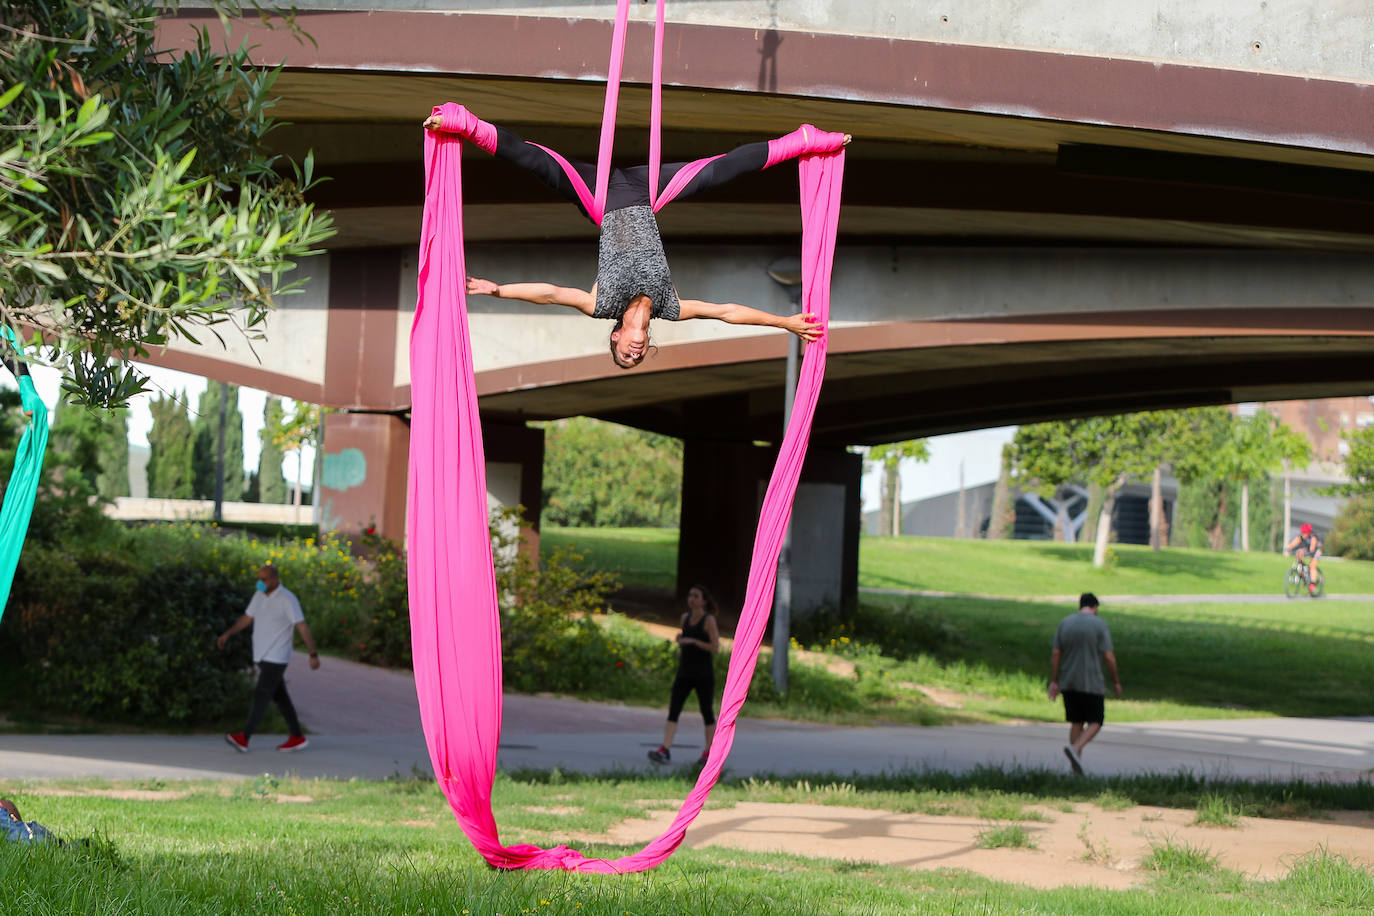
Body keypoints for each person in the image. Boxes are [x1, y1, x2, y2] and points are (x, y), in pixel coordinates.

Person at [423, 105, 848, 369]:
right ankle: (802, 141)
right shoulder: (670, 307)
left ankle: (464, 123)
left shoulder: (600, 304)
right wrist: (785, 323)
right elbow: (726, 312)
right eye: (637, 357)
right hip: (648, 193)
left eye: (626, 354)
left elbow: (552, 294)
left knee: (533, 160)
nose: (635, 352)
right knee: (725, 169)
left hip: (598, 196)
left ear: (615, 336)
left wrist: (498, 290)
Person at [217, 564, 320, 752]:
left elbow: (302, 626)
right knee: (280, 697)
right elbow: (247, 618)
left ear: (275, 579)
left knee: (262, 694)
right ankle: (297, 737)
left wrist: (313, 654)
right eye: (259, 578)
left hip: (277, 655)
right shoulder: (259, 596)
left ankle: (244, 737)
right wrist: (228, 633)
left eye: (263, 579)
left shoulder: (287, 599)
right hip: (262, 654)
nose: (260, 583)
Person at [1047, 592, 1121, 775]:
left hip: (1069, 680)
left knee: (1076, 721)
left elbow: (1056, 654)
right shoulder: (1099, 625)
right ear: (1095, 607)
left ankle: (1075, 766)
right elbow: (1109, 656)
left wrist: (1054, 680)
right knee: (1096, 720)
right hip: (1092, 682)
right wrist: (1116, 681)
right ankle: (1076, 748)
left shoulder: (1065, 623)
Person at [648, 585, 721, 765]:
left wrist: (694, 641)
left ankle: (709, 752)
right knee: (674, 709)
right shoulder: (685, 618)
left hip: (703, 674)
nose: (692, 599)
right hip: (685, 672)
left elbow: (715, 647)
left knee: (706, 711)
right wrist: (681, 640)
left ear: (704, 601)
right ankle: (664, 748)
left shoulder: (708, 620)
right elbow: (685, 639)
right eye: (690, 595)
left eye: (696, 596)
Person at [1285, 523, 1323, 595]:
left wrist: (1308, 553)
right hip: (1308, 548)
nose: (1303, 535)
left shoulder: (1313, 537)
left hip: (1316, 550)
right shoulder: (1301, 537)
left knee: (1312, 565)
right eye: (1302, 533)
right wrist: (1288, 548)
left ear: (1308, 533)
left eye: (1305, 533)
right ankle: (1302, 570)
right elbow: (1294, 543)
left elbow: (1312, 548)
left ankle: (1312, 584)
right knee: (1298, 552)